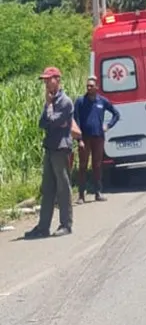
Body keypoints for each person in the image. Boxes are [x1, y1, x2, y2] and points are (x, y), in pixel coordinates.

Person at [24, 67, 75, 239]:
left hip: (61, 148)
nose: (45, 83)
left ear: (57, 79)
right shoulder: (50, 101)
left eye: (48, 79)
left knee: (63, 187)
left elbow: (53, 121)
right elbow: (42, 123)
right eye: (44, 80)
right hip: (50, 147)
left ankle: (66, 224)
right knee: (47, 188)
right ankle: (43, 227)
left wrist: (49, 108)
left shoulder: (65, 101)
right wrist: (48, 108)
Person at [73, 76, 121, 203]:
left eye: (91, 86)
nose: (89, 88)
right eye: (87, 86)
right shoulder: (80, 101)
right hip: (84, 138)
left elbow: (116, 114)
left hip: (98, 137)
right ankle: (81, 195)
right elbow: (75, 120)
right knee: (82, 166)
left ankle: (98, 192)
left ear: (96, 87)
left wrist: (108, 125)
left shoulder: (102, 101)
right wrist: (79, 139)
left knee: (97, 165)